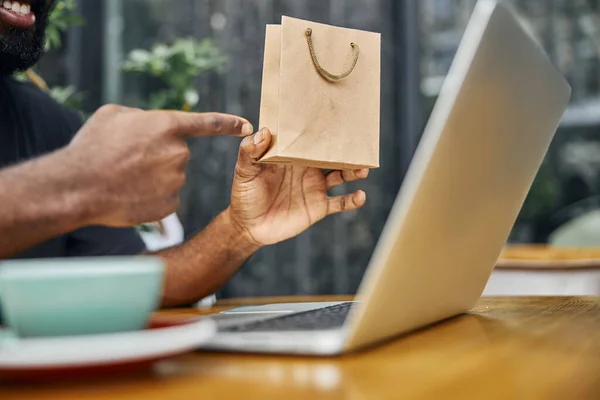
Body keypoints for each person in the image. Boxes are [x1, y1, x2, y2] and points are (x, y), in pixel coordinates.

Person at [0, 0, 370, 307]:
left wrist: (240, 230)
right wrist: (74, 184)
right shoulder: (69, 157)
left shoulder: (46, 121)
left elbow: (133, 286)